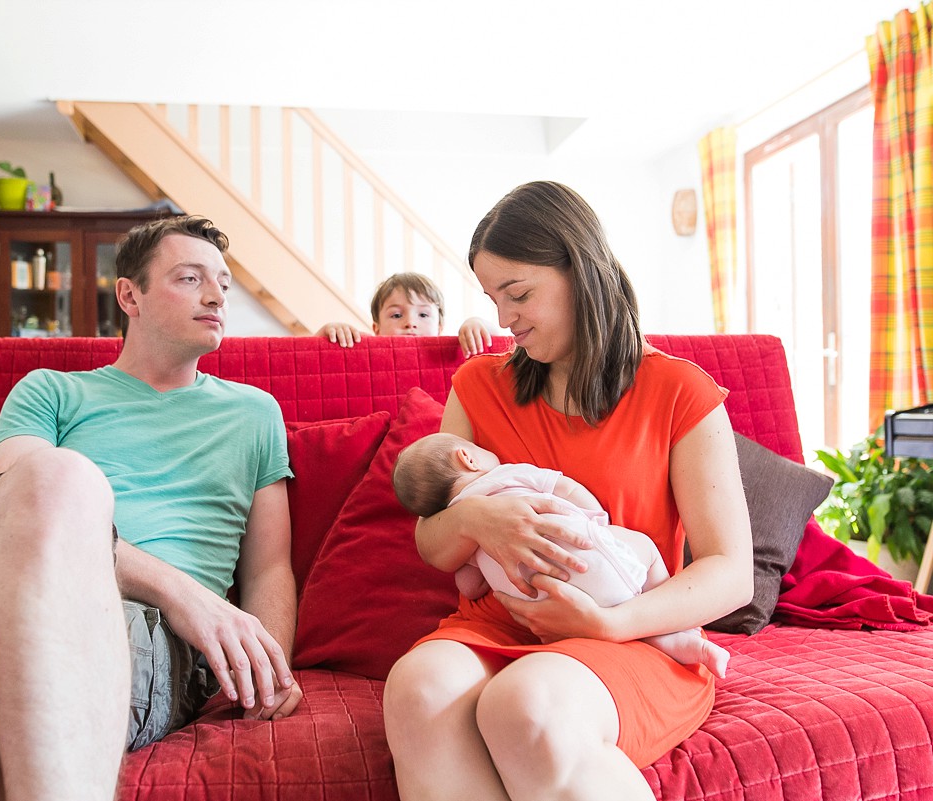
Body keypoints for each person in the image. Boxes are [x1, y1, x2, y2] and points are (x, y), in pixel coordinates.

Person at [0, 215, 304, 801]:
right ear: (130, 295)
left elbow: (269, 566)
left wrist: (266, 670)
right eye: (190, 277)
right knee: (58, 477)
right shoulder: (51, 389)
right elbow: (6, 505)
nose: (215, 295)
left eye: (223, 283)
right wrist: (188, 594)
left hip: (143, 631)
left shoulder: (254, 413)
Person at [382, 181, 752, 801]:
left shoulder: (680, 392)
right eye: (492, 298)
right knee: (417, 688)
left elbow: (731, 570)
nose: (504, 318)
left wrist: (609, 623)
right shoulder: (479, 384)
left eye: (518, 293)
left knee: (525, 706)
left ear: (581, 269)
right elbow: (433, 542)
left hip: (631, 631)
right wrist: (478, 520)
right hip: (501, 622)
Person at [391, 432, 730, 678]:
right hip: (593, 560)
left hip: (546, 613)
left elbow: (469, 587)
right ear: (467, 458)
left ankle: (668, 642)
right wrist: (596, 522)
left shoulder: (459, 535)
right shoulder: (507, 474)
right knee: (647, 550)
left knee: (604, 608)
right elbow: (565, 488)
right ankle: (677, 628)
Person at [317, 271, 497, 357]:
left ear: (439, 328)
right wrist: (330, 331)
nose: (410, 323)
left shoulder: (452, 349)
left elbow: (501, 348)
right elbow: (313, 356)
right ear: (376, 329)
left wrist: (477, 323)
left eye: (423, 315)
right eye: (396, 315)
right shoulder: (366, 346)